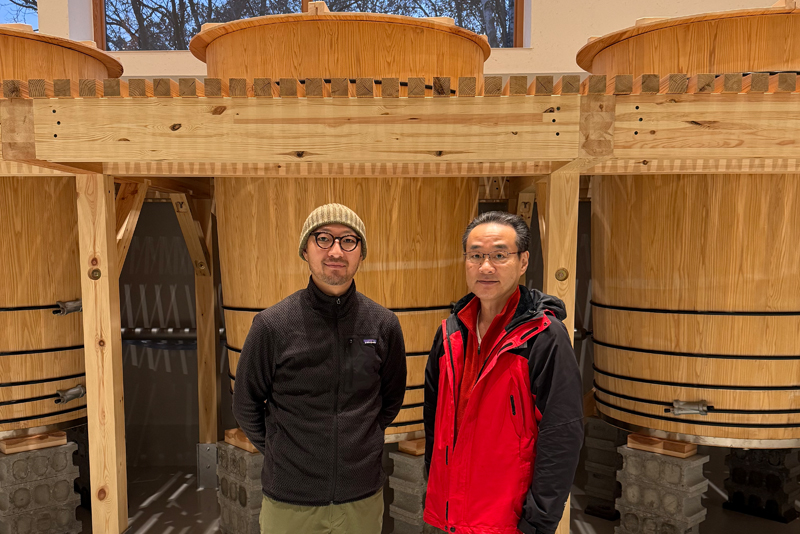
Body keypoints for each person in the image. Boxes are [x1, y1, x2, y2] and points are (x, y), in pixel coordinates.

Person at [233, 203, 407, 534]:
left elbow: (390, 400)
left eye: (349, 241)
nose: (336, 251)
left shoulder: (383, 324)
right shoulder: (272, 325)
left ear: (361, 253)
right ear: (305, 250)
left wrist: (361, 443)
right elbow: (245, 404)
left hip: (362, 498)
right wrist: (284, 452)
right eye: (323, 239)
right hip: (289, 502)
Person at [423, 211, 583, 534]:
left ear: (523, 262)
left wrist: (537, 524)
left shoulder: (543, 337)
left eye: (499, 255)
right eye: (476, 255)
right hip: (446, 519)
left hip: (508, 525)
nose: (486, 267)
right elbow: (433, 424)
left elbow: (562, 436)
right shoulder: (450, 333)